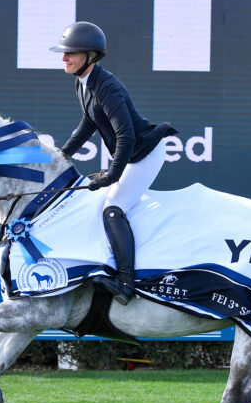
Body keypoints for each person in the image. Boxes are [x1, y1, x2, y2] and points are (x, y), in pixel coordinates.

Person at [51, 22, 176, 305]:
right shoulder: (82, 82)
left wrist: (111, 176)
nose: (64, 58)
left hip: (146, 152)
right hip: (132, 152)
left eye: (70, 53)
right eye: (64, 53)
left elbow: (126, 135)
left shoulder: (107, 87)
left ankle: (126, 284)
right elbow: (88, 122)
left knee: (112, 209)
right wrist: (63, 154)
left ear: (90, 57)